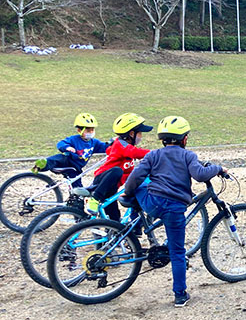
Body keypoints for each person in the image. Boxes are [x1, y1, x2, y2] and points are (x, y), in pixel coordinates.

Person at [124, 116, 226, 308]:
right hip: (175, 209)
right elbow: (200, 174)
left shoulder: (153, 155)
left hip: (152, 204)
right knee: (178, 252)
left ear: (162, 139)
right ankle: (180, 295)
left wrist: (128, 195)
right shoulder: (188, 156)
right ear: (184, 139)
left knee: (140, 187)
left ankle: (136, 218)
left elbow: (136, 176)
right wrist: (218, 168)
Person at [86, 113, 152, 220]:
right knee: (117, 171)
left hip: (112, 186)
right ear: (131, 134)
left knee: (114, 218)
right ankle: (94, 199)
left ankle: (114, 231)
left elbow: (110, 151)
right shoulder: (121, 145)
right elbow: (135, 153)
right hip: (104, 180)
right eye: (139, 133)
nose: (141, 136)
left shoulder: (121, 144)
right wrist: (156, 154)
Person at [31, 113, 109, 187]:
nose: (91, 132)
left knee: (77, 188)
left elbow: (105, 147)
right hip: (68, 161)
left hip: (76, 168)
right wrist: (67, 147)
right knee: (59, 158)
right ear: (79, 131)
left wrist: (115, 143)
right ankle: (42, 165)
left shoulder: (94, 142)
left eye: (93, 130)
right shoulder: (74, 139)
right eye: (88, 131)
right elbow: (60, 143)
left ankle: (75, 199)